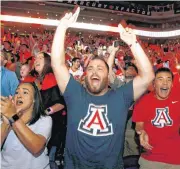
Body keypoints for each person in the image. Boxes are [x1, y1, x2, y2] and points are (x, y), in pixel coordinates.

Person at [51, 7, 154, 169]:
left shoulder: (121, 97)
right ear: (85, 76)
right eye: (90, 68)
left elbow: (148, 76)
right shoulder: (74, 94)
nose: (94, 71)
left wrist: (133, 43)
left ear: (108, 77)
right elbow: (57, 63)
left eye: (100, 68)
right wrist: (62, 27)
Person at [133, 67, 180, 169]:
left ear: (172, 84)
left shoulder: (177, 98)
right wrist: (142, 132)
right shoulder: (143, 101)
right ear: (154, 83)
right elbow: (139, 125)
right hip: (151, 158)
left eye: (168, 79)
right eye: (160, 79)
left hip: (176, 159)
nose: (165, 83)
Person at [1, 82, 52, 169]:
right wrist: (6, 123)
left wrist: (13, 117)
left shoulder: (44, 120)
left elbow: (36, 147)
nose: (19, 96)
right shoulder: (4, 118)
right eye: (16, 92)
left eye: (25, 92)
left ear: (34, 99)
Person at [34, 52, 67, 169]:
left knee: (48, 159)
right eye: (35, 58)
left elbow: (61, 104)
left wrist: (43, 113)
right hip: (39, 126)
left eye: (40, 58)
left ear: (48, 62)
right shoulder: (36, 79)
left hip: (53, 128)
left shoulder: (52, 79)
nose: (36, 60)